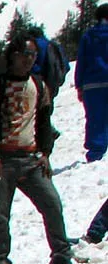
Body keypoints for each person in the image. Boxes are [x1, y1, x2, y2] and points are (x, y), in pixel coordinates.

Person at [0, 36, 78, 264]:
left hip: (31, 157)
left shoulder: (39, 86)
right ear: (12, 56)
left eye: (32, 55)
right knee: (1, 213)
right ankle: (0, 258)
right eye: (24, 55)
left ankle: (61, 251)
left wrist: (46, 152)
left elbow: (44, 121)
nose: (28, 60)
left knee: (51, 203)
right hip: (4, 158)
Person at [76, 4, 108, 163]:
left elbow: (81, 61)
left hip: (92, 84)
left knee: (95, 119)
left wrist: (79, 86)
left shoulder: (88, 36)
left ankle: (95, 154)